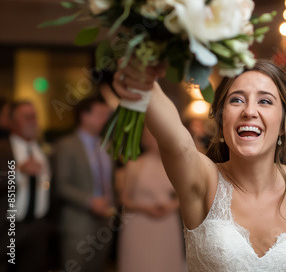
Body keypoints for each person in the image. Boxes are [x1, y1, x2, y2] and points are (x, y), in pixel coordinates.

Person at [114, 59, 286, 271]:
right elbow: (177, 143)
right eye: (236, 100)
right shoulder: (203, 179)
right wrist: (143, 81)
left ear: (283, 124)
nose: (249, 111)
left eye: (265, 101)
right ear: (221, 119)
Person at [55, 97, 115, 272]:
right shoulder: (67, 145)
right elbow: (61, 185)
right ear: (84, 116)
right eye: (100, 114)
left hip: (105, 222)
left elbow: (110, 182)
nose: (105, 119)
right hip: (78, 223)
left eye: (107, 114)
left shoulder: (107, 145)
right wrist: (90, 201)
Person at [118, 127, 185, 272]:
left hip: (167, 223)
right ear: (144, 139)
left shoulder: (174, 165)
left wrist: (170, 206)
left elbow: (183, 195)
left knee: (165, 264)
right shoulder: (134, 164)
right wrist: (146, 208)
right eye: (151, 136)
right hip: (139, 223)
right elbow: (124, 199)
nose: (155, 140)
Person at [0, 101, 51, 272]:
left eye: (34, 116)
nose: (32, 121)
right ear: (12, 121)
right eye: (26, 117)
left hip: (38, 225)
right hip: (9, 226)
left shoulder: (42, 149)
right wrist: (17, 170)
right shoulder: (3, 148)